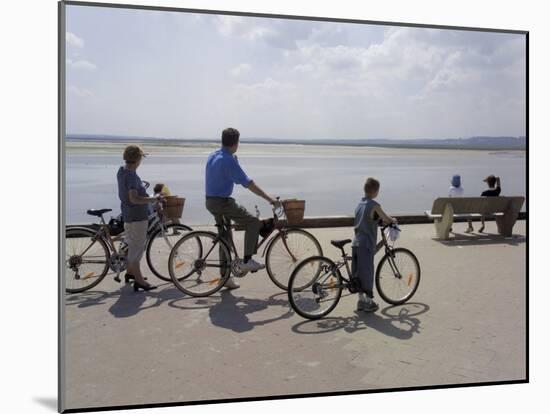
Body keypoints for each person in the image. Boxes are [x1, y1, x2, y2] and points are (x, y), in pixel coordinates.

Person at [205, 128, 280, 290]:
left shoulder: (214, 155)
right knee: (253, 221)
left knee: (224, 238)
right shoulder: (228, 160)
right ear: (236, 143)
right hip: (223, 203)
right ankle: (247, 261)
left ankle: (225, 278)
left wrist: (234, 161)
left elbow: (223, 174)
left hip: (210, 201)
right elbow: (249, 184)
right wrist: (270, 199)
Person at [117, 145, 159, 292]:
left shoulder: (122, 171)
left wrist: (141, 186)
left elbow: (129, 190)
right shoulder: (132, 176)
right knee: (137, 247)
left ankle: (130, 272)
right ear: (138, 159)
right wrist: (152, 199)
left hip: (127, 215)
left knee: (130, 243)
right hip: (138, 216)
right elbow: (134, 198)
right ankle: (139, 281)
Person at [352, 177, 396, 312]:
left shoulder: (360, 204)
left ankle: (360, 301)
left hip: (356, 242)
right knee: (368, 273)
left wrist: (379, 222)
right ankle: (369, 302)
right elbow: (386, 218)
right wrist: (393, 220)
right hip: (366, 244)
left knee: (358, 273)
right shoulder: (374, 205)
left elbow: (371, 219)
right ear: (376, 191)